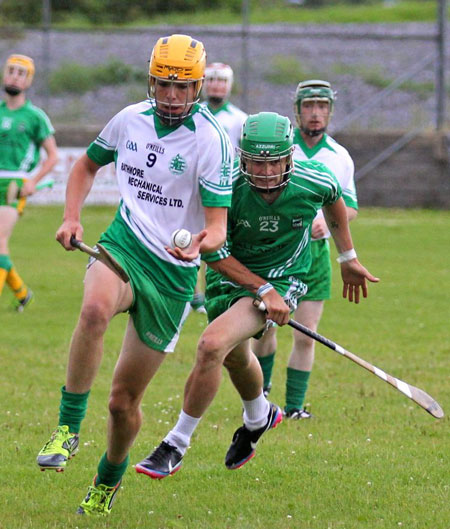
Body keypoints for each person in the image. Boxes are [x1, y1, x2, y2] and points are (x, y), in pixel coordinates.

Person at [36, 34, 233, 517]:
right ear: (150, 82)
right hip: (126, 242)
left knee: (123, 404)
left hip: (172, 276)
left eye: (181, 87)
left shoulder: (211, 140)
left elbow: (216, 227)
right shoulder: (130, 119)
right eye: (162, 85)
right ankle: (67, 428)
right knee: (94, 309)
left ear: (197, 87)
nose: (170, 96)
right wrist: (71, 216)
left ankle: (108, 476)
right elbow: (84, 166)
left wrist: (199, 246)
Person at [135, 112, 378, 479]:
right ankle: (259, 416)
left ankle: (175, 444)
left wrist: (347, 257)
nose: (265, 172)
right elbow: (214, 253)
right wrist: (258, 287)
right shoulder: (224, 184)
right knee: (234, 357)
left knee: (211, 345)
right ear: (242, 157)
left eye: (274, 163)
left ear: (289, 157)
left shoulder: (315, 180)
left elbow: (334, 202)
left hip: (284, 278)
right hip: (230, 275)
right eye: (256, 163)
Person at [252, 80, 358, 420]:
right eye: (309, 106)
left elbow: (350, 207)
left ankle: (295, 407)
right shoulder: (280, 149)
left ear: (329, 111)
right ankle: (261, 397)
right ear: (297, 111)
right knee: (266, 328)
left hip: (315, 257)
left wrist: (328, 225)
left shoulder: (339, 156)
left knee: (307, 335)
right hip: (278, 253)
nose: (316, 113)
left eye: (322, 107)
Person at [189, 62, 249, 315]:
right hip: (193, 184)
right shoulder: (192, 113)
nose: (216, 85)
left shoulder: (239, 119)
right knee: (189, 233)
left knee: (216, 237)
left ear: (229, 86)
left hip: (225, 187)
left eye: (222, 81)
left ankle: (215, 288)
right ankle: (190, 292)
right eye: (212, 80)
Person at [0, 54, 58, 311]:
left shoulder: (35, 116)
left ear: (29, 81)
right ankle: (22, 293)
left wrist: (33, 181)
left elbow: (53, 156)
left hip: (13, 186)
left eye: (21, 73)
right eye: (11, 70)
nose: (14, 76)